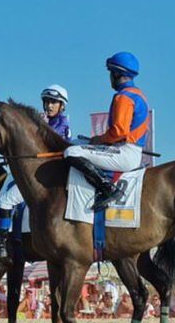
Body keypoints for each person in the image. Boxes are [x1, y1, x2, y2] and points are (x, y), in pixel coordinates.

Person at [0, 84, 72, 259]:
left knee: (5, 200)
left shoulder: (60, 125)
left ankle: (1, 244)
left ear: (62, 106)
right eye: (47, 101)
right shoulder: (44, 122)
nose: (49, 105)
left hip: (46, 176)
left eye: (54, 102)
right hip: (40, 172)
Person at [64, 52, 150, 210]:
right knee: (74, 143)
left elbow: (119, 132)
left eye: (111, 72)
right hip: (126, 150)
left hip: (124, 152)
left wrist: (99, 139)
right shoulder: (138, 94)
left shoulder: (124, 97)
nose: (109, 77)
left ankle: (108, 189)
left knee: (71, 152)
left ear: (117, 73)